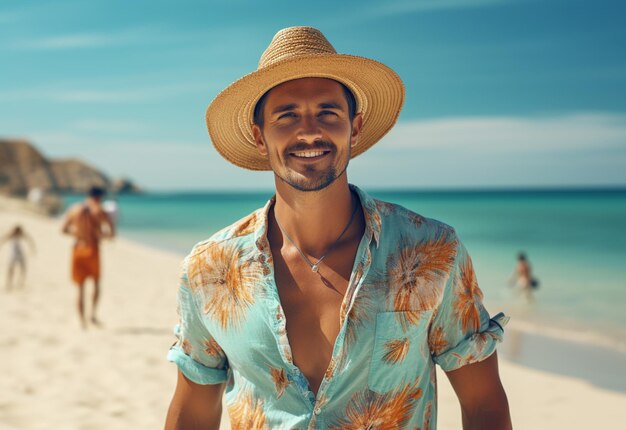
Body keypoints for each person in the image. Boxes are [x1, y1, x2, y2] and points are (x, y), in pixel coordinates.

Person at [165, 27, 512, 429]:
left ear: (355, 126)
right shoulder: (210, 269)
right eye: (287, 115)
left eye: (328, 112)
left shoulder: (430, 251)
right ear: (260, 136)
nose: (309, 130)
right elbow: (193, 409)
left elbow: (483, 401)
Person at [61, 186, 115, 328]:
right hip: (92, 249)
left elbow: (63, 229)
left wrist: (78, 234)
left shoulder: (74, 209)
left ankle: (81, 321)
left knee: (80, 288)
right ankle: (92, 315)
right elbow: (111, 234)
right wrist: (100, 235)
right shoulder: (99, 211)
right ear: (99, 197)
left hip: (77, 248)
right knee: (96, 284)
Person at [1, 225, 36, 290]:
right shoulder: (11, 234)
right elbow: (3, 239)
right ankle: (9, 283)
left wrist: (32, 248)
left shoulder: (21, 234)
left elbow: (29, 240)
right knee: (11, 268)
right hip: (14, 253)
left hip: (19, 253)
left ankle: (20, 282)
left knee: (22, 267)